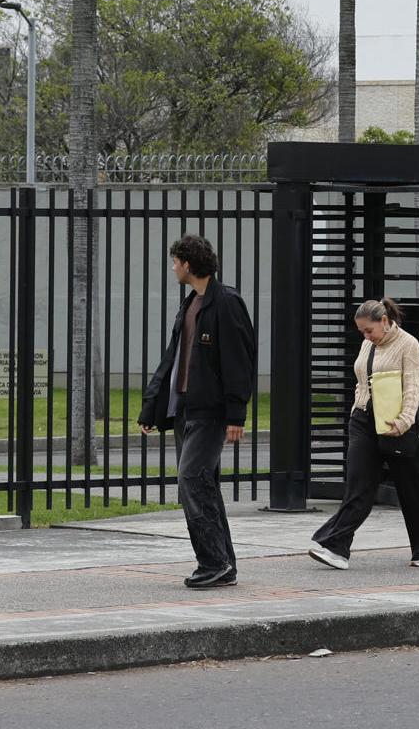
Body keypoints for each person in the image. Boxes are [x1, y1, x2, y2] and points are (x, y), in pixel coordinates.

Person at [138, 234, 255, 589]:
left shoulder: (226, 303)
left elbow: (239, 361)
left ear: (188, 264)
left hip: (212, 411)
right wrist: (151, 408)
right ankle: (223, 564)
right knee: (204, 484)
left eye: (175, 261)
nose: (173, 267)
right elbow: (173, 360)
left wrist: (236, 415)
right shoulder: (191, 304)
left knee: (192, 479)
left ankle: (213, 562)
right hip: (186, 409)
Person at [309, 299, 419, 570]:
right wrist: (357, 407)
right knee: (359, 483)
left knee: (411, 489)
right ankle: (336, 546)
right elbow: (361, 379)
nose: (366, 336)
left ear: (384, 320)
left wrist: (404, 421)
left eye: (369, 330)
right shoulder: (368, 343)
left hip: (394, 423)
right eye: (361, 331)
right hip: (363, 420)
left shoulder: (408, 344)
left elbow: (414, 387)